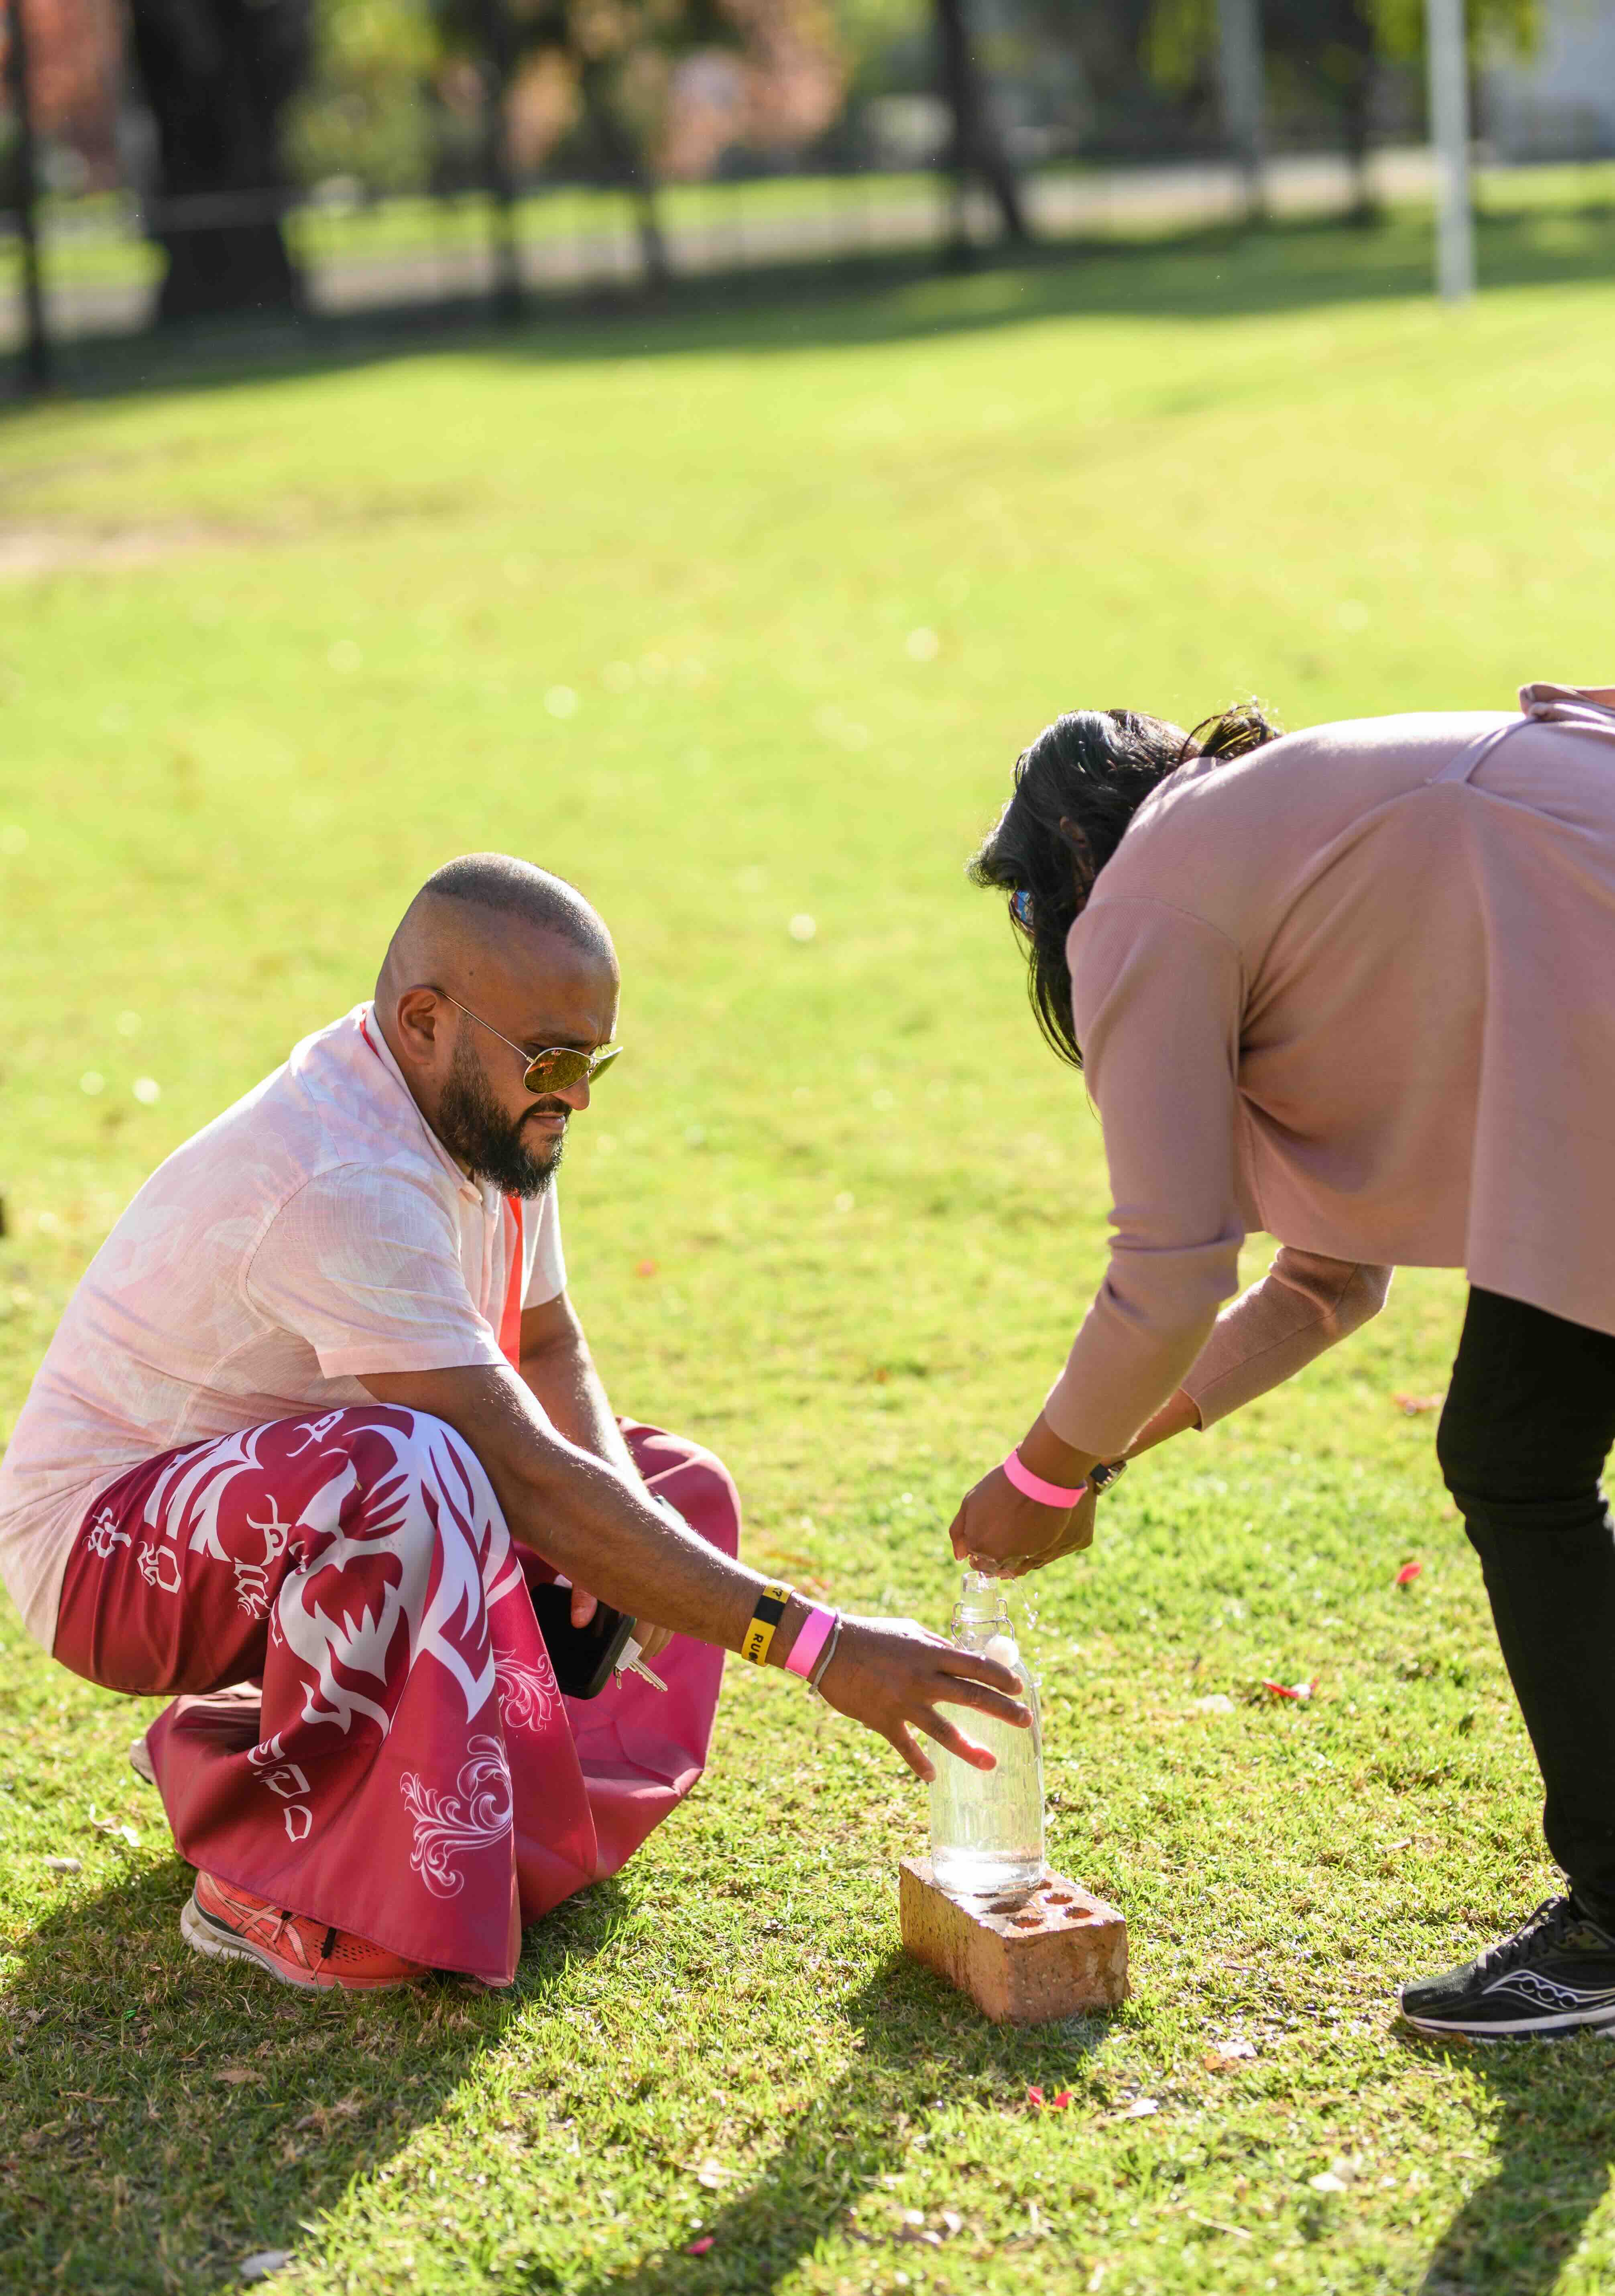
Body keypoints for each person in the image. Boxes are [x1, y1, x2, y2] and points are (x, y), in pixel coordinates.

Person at [0, 855, 1027, 1992]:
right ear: (426, 1020)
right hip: (102, 1558)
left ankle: (471, 1828)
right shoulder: (348, 1172)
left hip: (283, 1516)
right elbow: (521, 1474)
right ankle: (265, 1879)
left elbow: (545, 1347)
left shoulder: (488, 1120)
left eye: (596, 1060)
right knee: (413, 1468)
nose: (579, 1095)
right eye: (553, 1059)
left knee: (670, 1494)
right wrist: (816, 1646)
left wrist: (619, 1527)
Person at [951, 681, 1615, 2041]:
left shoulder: (1144, 892)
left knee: (1516, 1457)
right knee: (1518, 1448)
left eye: (1025, 907)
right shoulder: (1262, 853)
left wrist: (1045, 1473)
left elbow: (1172, 1272)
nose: (1041, 943)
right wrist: (1105, 1456)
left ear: (1068, 858)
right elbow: (1324, 1281)